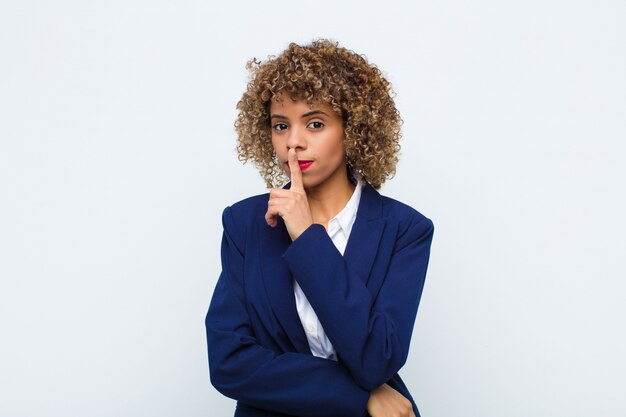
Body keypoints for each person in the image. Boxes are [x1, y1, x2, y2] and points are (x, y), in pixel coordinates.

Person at [205, 39, 435, 417]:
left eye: (315, 123)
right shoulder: (244, 223)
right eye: (281, 126)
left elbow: (377, 358)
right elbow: (229, 362)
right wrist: (360, 396)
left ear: (354, 129)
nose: (293, 142)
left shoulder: (405, 230)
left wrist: (308, 237)